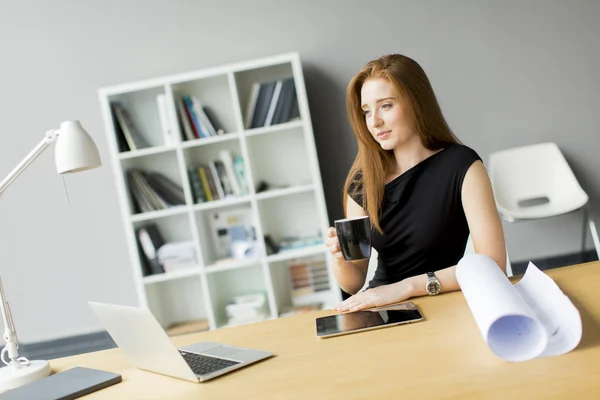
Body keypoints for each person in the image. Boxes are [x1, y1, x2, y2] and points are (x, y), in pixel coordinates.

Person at [327, 54, 506, 312]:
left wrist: (406, 287)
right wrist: (340, 261)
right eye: (366, 111)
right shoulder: (362, 182)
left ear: (416, 103)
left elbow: (492, 264)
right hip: (379, 307)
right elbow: (354, 283)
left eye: (385, 106)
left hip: (443, 302)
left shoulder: (462, 166)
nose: (374, 122)